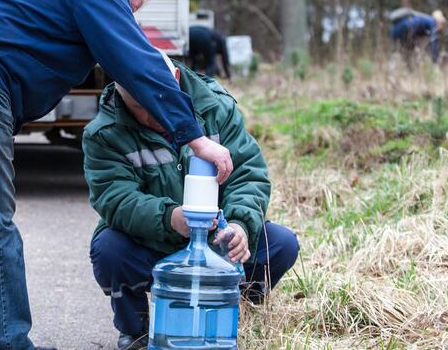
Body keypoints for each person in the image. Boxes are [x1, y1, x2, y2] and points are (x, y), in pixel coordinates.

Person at [0, 0, 233, 349]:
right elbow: (136, 59)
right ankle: (2, 345)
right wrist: (194, 137)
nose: (127, 18)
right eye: (131, 7)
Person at [84, 52, 299, 349]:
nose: (149, 116)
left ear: (173, 82)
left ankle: (236, 310)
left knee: (281, 245)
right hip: (152, 242)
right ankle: (137, 329)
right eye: (138, 108)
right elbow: (115, 198)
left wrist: (239, 226)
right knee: (109, 251)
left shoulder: (215, 106)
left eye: (156, 103)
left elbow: (249, 174)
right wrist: (169, 218)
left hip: (216, 241)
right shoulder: (104, 132)